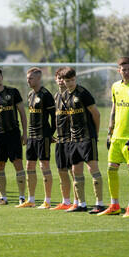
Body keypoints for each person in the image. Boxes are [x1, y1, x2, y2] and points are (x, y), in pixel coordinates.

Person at [99, 57, 129, 217]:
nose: (126, 72)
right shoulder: (115, 87)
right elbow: (113, 110)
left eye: (128, 69)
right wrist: (109, 132)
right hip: (116, 138)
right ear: (118, 71)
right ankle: (114, 205)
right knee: (111, 170)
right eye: (123, 69)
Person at [61, 67, 104, 214]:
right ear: (63, 81)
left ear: (75, 79)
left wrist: (95, 135)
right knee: (75, 170)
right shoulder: (65, 95)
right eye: (67, 81)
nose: (70, 83)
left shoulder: (84, 93)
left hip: (87, 137)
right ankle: (82, 204)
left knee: (92, 168)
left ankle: (99, 204)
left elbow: (96, 115)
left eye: (72, 80)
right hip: (74, 139)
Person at [0, 67, 27, 205]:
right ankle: (3, 198)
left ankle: (21, 197)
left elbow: (22, 113)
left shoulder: (13, 92)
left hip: (13, 134)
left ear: (2, 77)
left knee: (18, 163)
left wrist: (25, 133)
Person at [16, 67, 56, 209]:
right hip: (32, 136)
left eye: (31, 78)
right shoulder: (30, 94)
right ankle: (31, 200)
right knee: (29, 166)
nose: (28, 80)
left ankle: (47, 200)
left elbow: (54, 118)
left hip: (42, 136)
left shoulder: (46, 95)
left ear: (39, 78)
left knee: (44, 166)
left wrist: (49, 134)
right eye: (27, 78)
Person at [50, 68, 77, 210]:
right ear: (56, 80)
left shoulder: (71, 96)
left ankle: (77, 201)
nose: (61, 81)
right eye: (58, 78)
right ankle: (65, 201)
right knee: (61, 171)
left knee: (74, 172)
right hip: (60, 140)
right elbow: (56, 119)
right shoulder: (56, 96)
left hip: (71, 139)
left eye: (63, 78)